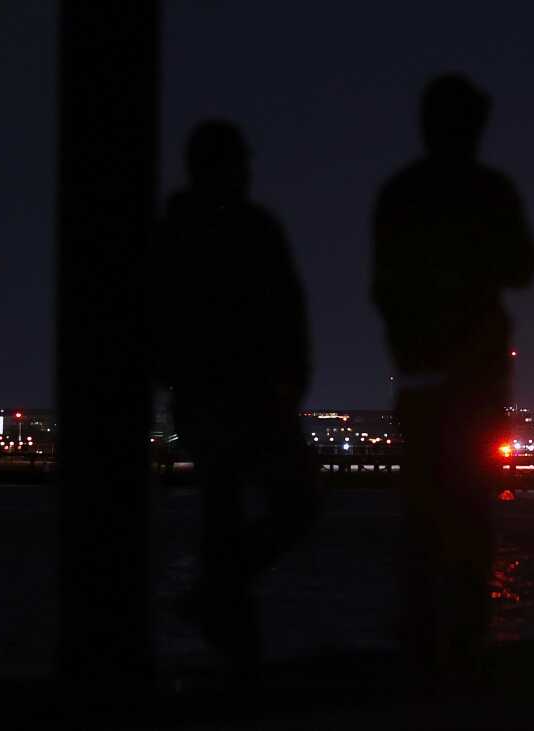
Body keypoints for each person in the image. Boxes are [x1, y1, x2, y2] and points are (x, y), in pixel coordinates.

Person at [371, 73, 534, 678]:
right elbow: (524, 266)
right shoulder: (490, 191)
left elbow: (383, 286)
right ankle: (466, 637)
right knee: (470, 509)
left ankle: (420, 637)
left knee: (422, 510)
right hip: (476, 375)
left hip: (422, 376)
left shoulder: (401, 193)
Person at [152, 120, 319, 671]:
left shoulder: (174, 234)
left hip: (211, 398)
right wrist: (292, 382)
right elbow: (290, 312)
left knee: (222, 515)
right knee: (291, 507)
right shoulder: (254, 229)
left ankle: (223, 617)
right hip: (251, 396)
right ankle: (230, 626)